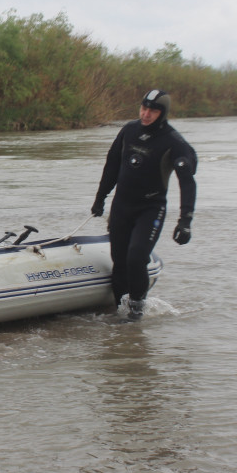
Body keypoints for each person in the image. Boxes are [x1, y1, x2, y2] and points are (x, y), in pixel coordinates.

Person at [91, 89, 197, 321]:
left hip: (150, 208)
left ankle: (136, 313)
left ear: (163, 113)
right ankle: (121, 313)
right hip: (122, 205)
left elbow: (187, 182)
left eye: (153, 110)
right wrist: (101, 197)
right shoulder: (129, 130)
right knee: (119, 262)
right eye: (143, 108)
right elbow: (112, 165)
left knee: (136, 257)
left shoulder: (173, 141)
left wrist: (185, 220)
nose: (146, 114)